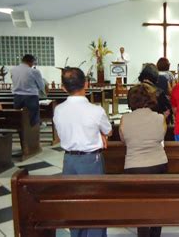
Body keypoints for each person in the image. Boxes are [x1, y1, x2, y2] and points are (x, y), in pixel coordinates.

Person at [53, 67, 112, 237]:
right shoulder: (95, 110)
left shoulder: (58, 110)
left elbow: (61, 132)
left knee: (73, 202)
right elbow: (108, 131)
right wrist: (101, 134)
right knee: (95, 203)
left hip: (68, 161)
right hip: (91, 159)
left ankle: (76, 234)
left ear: (63, 87)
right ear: (86, 83)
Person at [120, 83, 167, 237]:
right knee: (158, 202)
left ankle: (143, 233)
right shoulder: (159, 118)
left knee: (139, 203)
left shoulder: (124, 119)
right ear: (150, 99)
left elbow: (124, 140)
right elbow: (161, 137)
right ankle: (155, 233)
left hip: (134, 166)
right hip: (158, 164)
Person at [10, 54, 45, 126]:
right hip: (31, 97)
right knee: (33, 121)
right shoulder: (34, 71)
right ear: (31, 62)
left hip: (17, 97)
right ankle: (33, 136)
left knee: (19, 119)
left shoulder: (13, 70)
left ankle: (22, 135)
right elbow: (41, 86)